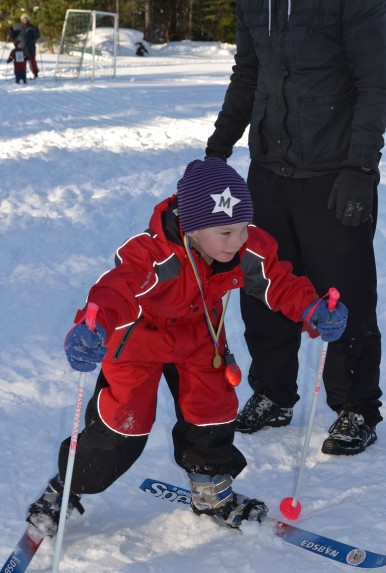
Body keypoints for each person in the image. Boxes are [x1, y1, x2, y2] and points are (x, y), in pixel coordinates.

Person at [25, 158, 347, 536]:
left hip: (199, 336)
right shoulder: (151, 254)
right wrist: (91, 325)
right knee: (121, 427)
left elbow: (278, 280)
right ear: (192, 227)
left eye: (244, 228)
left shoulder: (244, 248)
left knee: (212, 410)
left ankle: (211, 490)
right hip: (138, 338)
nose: (238, 240)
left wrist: (310, 307)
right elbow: (116, 290)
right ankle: (66, 488)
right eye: (226, 232)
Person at [205, 0, 386, 456]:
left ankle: (356, 407)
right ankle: (273, 392)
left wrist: (360, 170)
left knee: (341, 294)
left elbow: (375, 82)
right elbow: (248, 72)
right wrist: (218, 147)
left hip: (334, 171)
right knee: (261, 285)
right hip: (268, 166)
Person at [9, 15, 40, 79]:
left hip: (30, 47)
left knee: (32, 61)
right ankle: (21, 74)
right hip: (21, 48)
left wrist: (37, 31)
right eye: (24, 19)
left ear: (28, 19)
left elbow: (37, 37)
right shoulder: (18, 27)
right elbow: (12, 36)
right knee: (21, 62)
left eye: (26, 19)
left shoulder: (32, 27)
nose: (25, 20)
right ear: (21, 20)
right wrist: (11, 31)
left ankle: (35, 73)